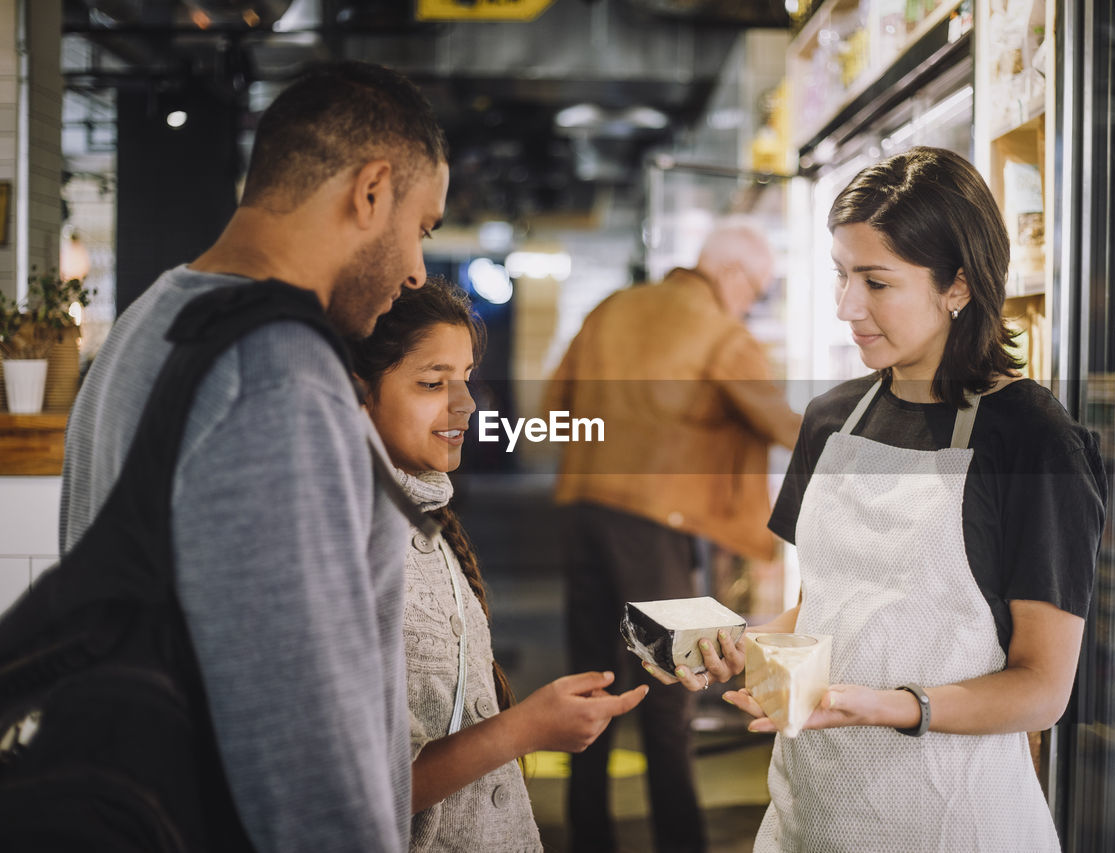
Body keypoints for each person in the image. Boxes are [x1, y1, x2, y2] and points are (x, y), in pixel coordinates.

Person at [668, 146, 1107, 852]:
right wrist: (741, 645)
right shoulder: (831, 418)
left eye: (876, 281)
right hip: (810, 809)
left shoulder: (1033, 441)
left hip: (951, 821)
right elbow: (826, 605)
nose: (847, 307)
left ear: (957, 285)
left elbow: (1041, 688)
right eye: (841, 275)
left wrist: (893, 707)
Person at [59, 61, 450, 851]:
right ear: (371, 191)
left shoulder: (149, 325)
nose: (416, 269)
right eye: (423, 226)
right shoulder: (275, 374)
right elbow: (300, 739)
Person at [349, 279, 648, 852]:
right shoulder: (344, 545)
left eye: (465, 379)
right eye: (433, 383)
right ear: (358, 393)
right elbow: (359, 792)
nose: (465, 404)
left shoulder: (425, 521)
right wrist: (527, 728)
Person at [543, 221, 802, 853]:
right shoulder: (721, 334)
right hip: (658, 528)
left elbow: (553, 399)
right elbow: (780, 425)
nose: (752, 304)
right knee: (669, 696)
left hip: (583, 510)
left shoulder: (613, 308)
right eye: (758, 292)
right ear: (735, 276)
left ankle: (588, 839)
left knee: (590, 682)